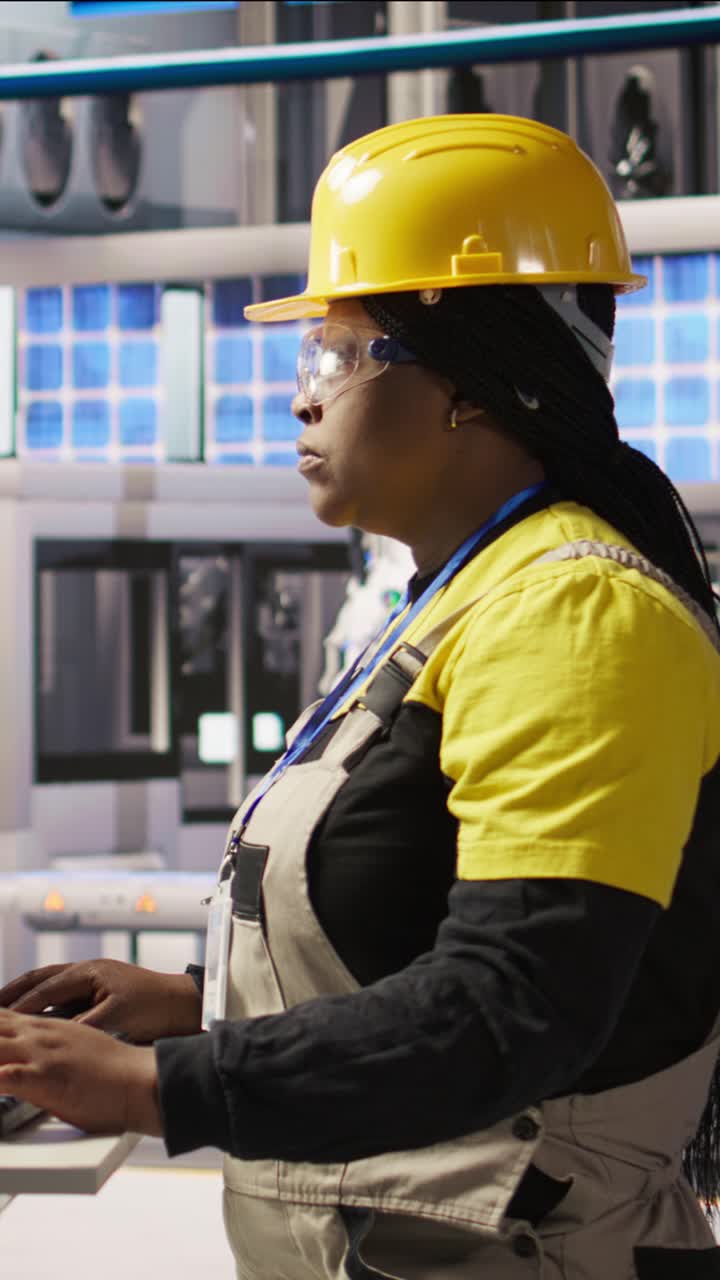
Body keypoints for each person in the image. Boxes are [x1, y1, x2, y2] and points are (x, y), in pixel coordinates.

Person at [1, 113, 720, 1279]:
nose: (304, 399)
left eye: (339, 353)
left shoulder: (577, 616)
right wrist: (196, 1005)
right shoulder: (461, 597)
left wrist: (156, 1083)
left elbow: (513, 1005)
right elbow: (412, 937)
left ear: (472, 387)